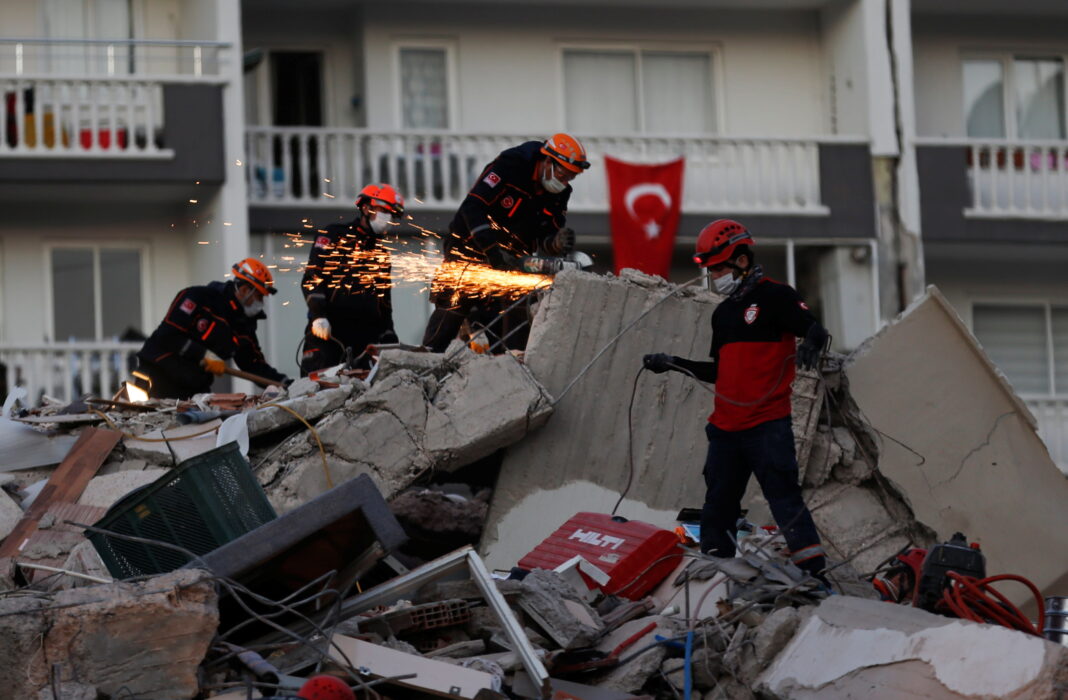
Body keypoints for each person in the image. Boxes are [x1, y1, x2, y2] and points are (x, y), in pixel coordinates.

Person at [642, 219, 830, 580]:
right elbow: (720, 372)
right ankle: (716, 575)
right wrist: (673, 363)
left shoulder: (777, 297)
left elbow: (815, 328)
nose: (714, 276)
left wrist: (812, 342)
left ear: (742, 261)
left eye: (718, 268)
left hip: (767, 427)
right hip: (726, 431)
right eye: (710, 270)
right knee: (718, 506)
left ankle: (815, 577)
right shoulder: (723, 314)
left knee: (785, 501)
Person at [422, 133, 589, 352]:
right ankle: (427, 359)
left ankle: (512, 367)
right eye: (563, 174)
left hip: (513, 259)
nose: (565, 182)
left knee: (517, 309)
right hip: (470, 246)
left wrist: (555, 243)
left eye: (571, 177)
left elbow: (545, 238)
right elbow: (472, 208)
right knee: (456, 301)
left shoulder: (560, 194)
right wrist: (492, 250)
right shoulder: (511, 164)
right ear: (547, 160)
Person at [135, 257, 290, 399]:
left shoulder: (243, 324)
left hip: (192, 385)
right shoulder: (198, 298)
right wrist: (204, 354)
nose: (261, 303)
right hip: (158, 374)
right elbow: (167, 335)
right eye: (259, 296)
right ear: (244, 290)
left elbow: (253, 364)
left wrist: (287, 384)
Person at [299, 183, 404, 375]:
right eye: (384, 211)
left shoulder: (382, 254)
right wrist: (318, 315)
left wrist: (389, 338)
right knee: (320, 392)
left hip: (364, 343)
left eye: (392, 215)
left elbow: (384, 303)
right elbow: (312, 278)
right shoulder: (334, 235)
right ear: (366, 207)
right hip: (329, 335)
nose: (388, 219)